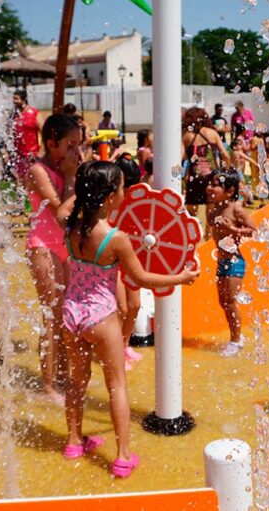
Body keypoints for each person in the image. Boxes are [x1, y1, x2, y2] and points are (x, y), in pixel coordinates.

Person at [58, 161, 198, 478]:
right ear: (109, 197)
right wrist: (181, 277)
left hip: (71, 313)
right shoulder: (116, 238)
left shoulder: (70, 225)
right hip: (101, 317)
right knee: (116, 386)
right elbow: (143, 278)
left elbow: (65, 208)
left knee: (76, 381)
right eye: (121, 187)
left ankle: (73, 441)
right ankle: (122, 456)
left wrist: (80, 180)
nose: (125, 191)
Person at [25, 114, 82, 403]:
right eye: (70, 143)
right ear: (51, 142)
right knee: (51, 315)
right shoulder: (38, 170)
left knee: (67, 314)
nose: (75, 149)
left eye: (78, 143)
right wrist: (72, 176)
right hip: (43, 245)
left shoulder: (66, 166)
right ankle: (48, 386)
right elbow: (63, 213)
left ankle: (63, 375)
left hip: (64, 248)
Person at [206, 168, 257, 357]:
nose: (210, 188)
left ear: (229, 191)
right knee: (224, 302)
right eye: (210, 184)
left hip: (235, 261)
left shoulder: (235, 209)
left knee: (230, 302)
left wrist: (233, 230)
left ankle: (236, 340)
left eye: (216, 185)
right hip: (222, 261)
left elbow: (254, 230)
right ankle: (236, 337)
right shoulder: (212, 208)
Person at [113, 155, 145, 370]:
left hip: (131, 255)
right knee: (121, 308)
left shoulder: (138, 198)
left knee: (135, 305)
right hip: (112, 259)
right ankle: (114, 352)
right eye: (127, 186)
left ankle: (123, 345)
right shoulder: (110, 199)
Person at [182, 106, 230, 219]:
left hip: (194, 178)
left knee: (191, 216)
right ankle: (209, 236)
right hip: (212, 178)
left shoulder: (186, 136)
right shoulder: (212, 133)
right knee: (211, 215)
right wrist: (224, 172)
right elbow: (226, 155)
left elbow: (181, 158)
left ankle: (194, 236)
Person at [11, 89, 41, 181]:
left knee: (32, 180)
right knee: (19, 181)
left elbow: (44, 132)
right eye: (13, 99)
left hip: (32, 154)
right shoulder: (13, 115)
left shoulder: (34, 113)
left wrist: (40, 153)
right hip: (18, 155)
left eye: (16, 99)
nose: (14, 101)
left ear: (24, 100)